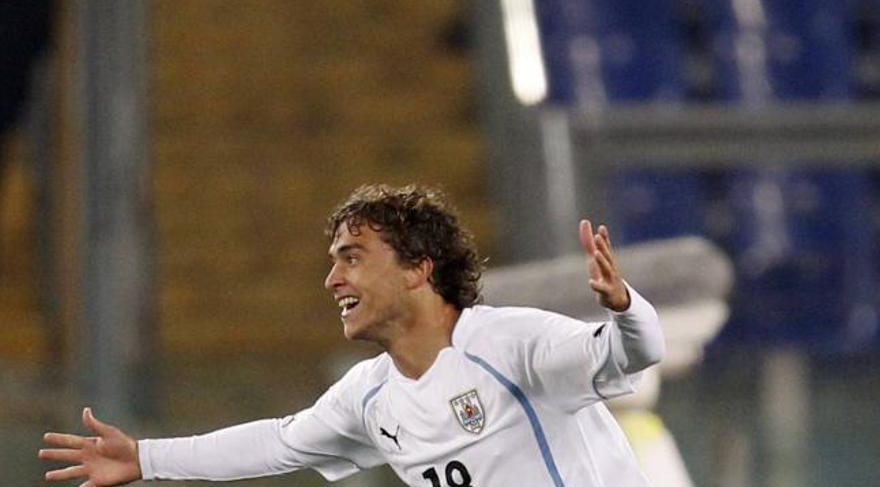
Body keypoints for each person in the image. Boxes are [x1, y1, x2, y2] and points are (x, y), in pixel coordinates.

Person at [39, 184, 665, 487]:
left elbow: (629, 354)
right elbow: (276, 444)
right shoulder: (370, 398)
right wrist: (146, 459)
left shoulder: (508, 344)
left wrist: (625, 307)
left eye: (353, 257)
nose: (333, 277)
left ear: (420, 266)